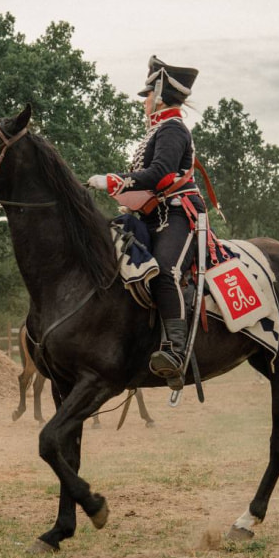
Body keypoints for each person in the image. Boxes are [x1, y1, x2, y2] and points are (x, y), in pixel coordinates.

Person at [88, 55, 205, 390]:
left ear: (159, 97)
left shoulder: (172, 129)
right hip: (151, 215)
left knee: (166, 270)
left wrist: (111, 181)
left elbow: (157, 174)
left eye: (147, 96)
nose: (143, 103)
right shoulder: (156, 131)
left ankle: (176, 351)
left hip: (178, 212)